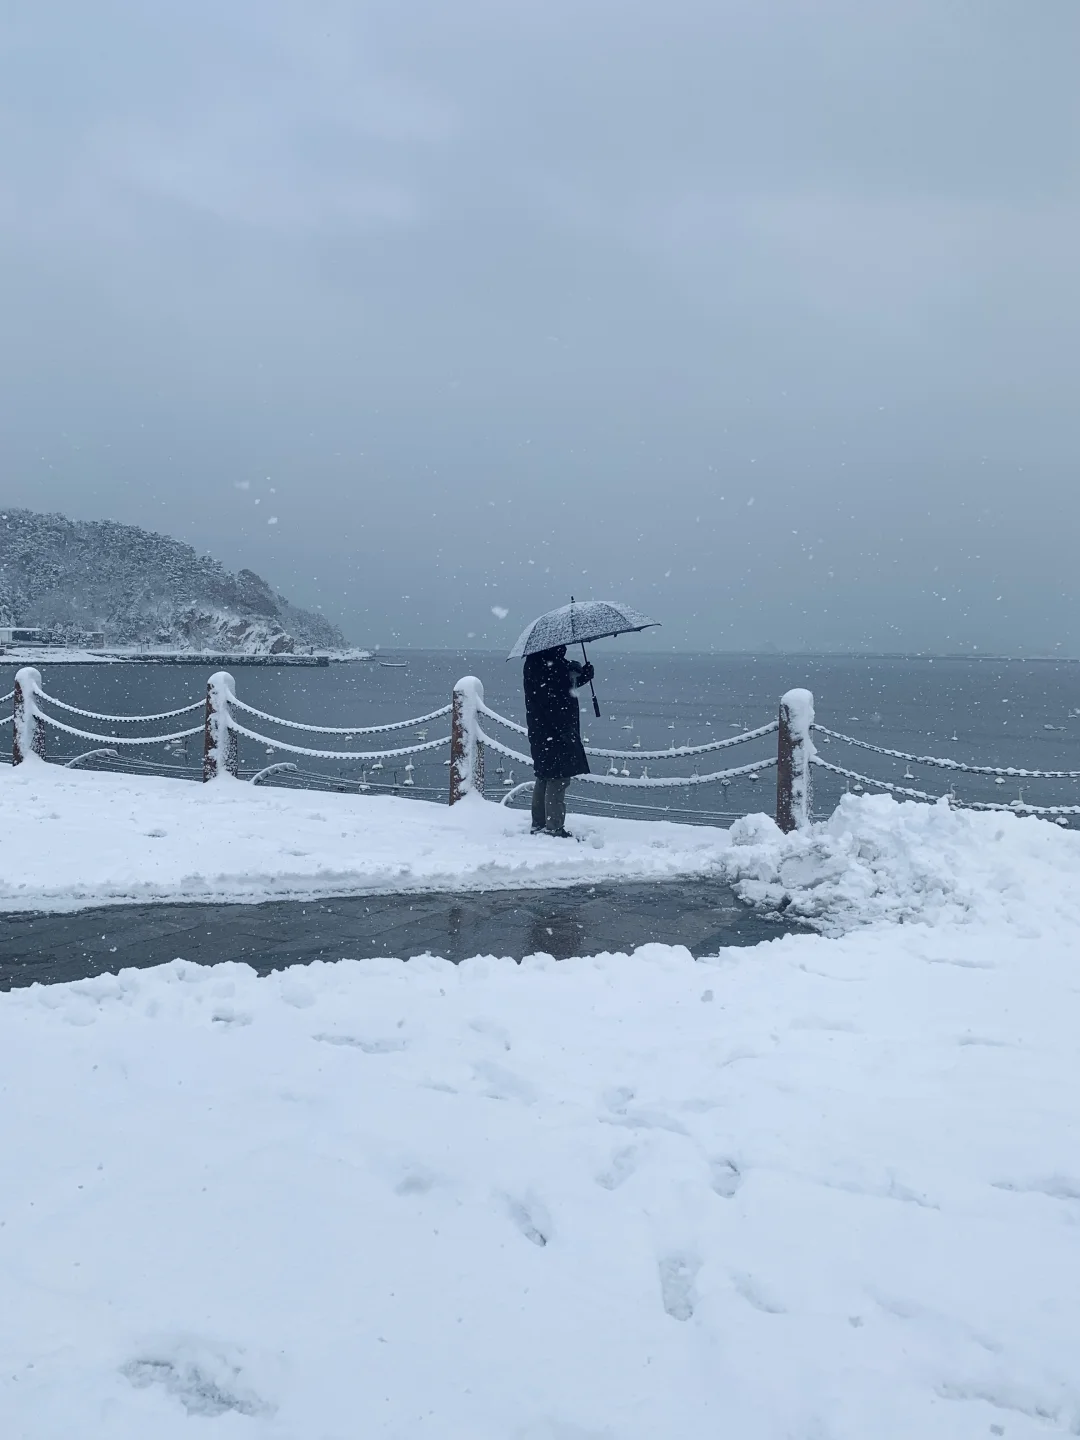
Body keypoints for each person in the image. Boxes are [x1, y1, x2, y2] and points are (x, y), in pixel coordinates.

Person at [522, 645, 594, 837]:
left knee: (544, 775)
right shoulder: (550, 664)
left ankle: (539, 823)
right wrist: (576, 674)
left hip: (540, 730)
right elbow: (558, 694)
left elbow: (558, 688)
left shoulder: (535, 661)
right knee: (558, 777)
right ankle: (554, 827)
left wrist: (578, 676)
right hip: (556, 731)